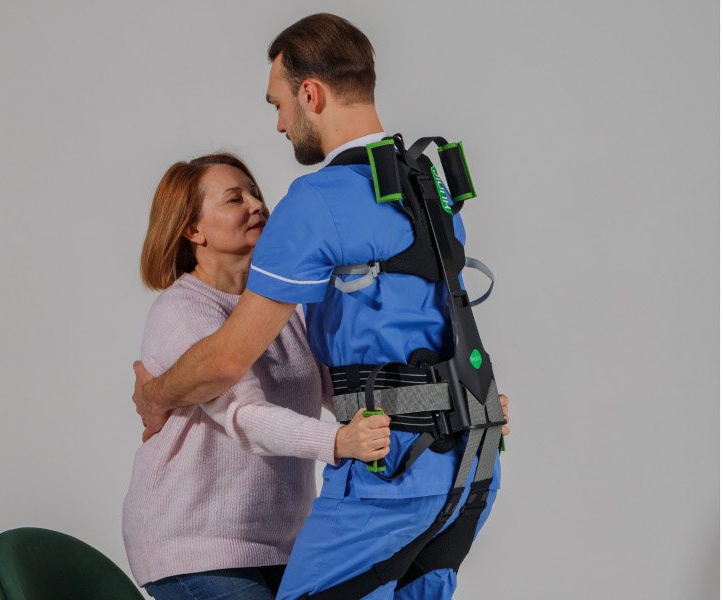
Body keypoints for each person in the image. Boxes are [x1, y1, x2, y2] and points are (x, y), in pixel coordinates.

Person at [134, 13, 508, 599]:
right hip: (472, 463)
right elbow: (423, 319)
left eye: (279, 103)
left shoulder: (313, 202)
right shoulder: (427, 186)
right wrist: (461, 393)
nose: (281, 124)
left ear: (312, 93)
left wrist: (154, 393)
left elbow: (229, 361)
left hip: (393, 472)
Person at [122, 153, 394, 600]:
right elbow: (244, 415)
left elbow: (342, 390)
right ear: (193, 230)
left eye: (255, 194)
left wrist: (446, 403)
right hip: (194, 544)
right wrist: (337, 443)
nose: (256, 205)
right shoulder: (181, 310)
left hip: (279, 545)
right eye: (234, 199)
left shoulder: (276, 310)